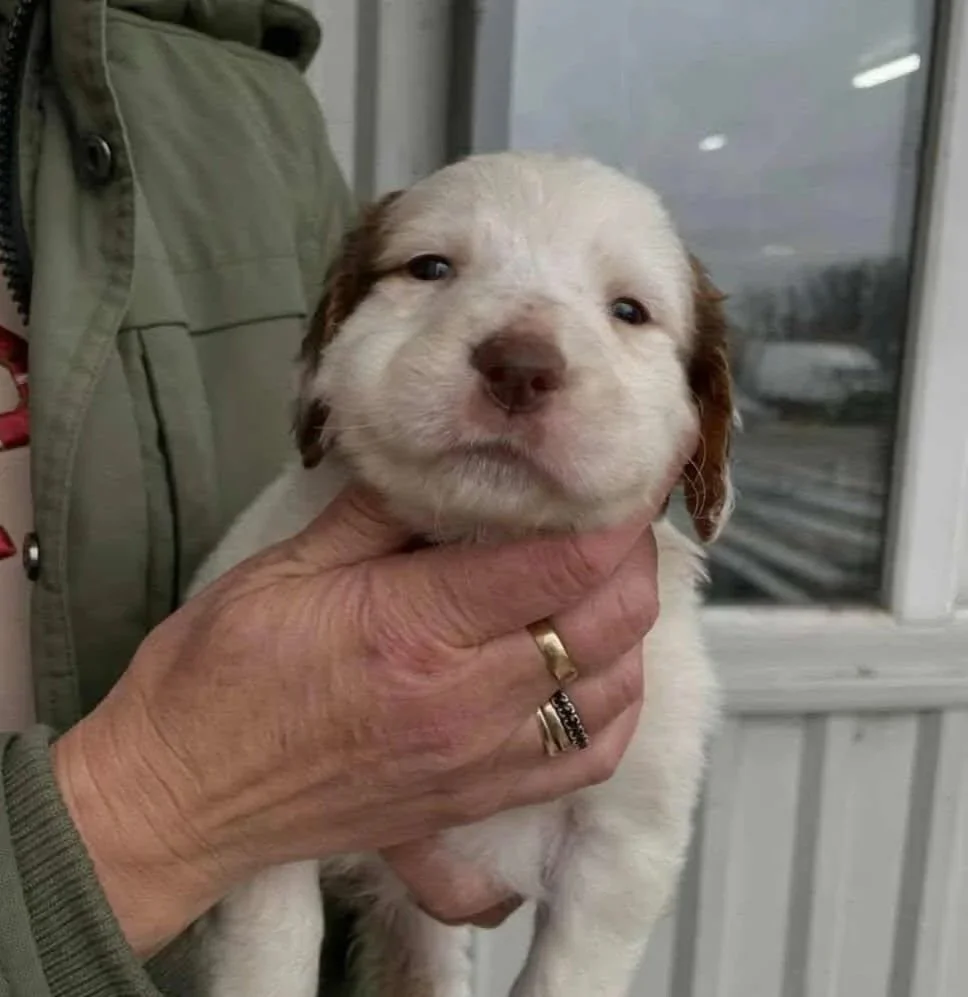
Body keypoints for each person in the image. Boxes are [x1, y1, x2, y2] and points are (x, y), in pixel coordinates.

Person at [0, 1, 664, 994]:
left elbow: (616, 843)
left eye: (628, 310)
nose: (527, 351)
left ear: (705, 428)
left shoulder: (240, 81)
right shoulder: (292, 503)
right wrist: (169, 806)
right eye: (432, 267)